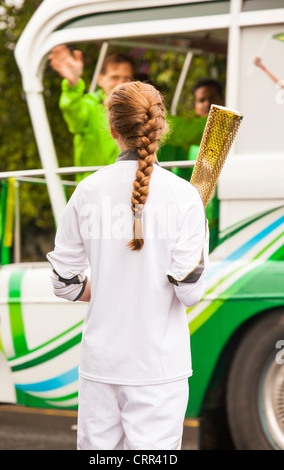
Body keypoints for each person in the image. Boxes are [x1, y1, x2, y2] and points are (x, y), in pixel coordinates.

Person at [46, 81, 209, 450]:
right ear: (161, 126)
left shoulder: (87, 190)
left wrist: (105, 290)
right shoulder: (185, 196)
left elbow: (64, 281)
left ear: (113, 128)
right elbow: (190, 292)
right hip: (158, 367)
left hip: (100, 365)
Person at [49, 45, 135, 181]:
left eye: (126, 78)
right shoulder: (89, 106)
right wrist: (73, 84)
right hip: (95, 189)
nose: (120, 83)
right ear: (100, 79)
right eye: (115, 77)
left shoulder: (137, 108)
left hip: (129, 187)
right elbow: (71, 109)